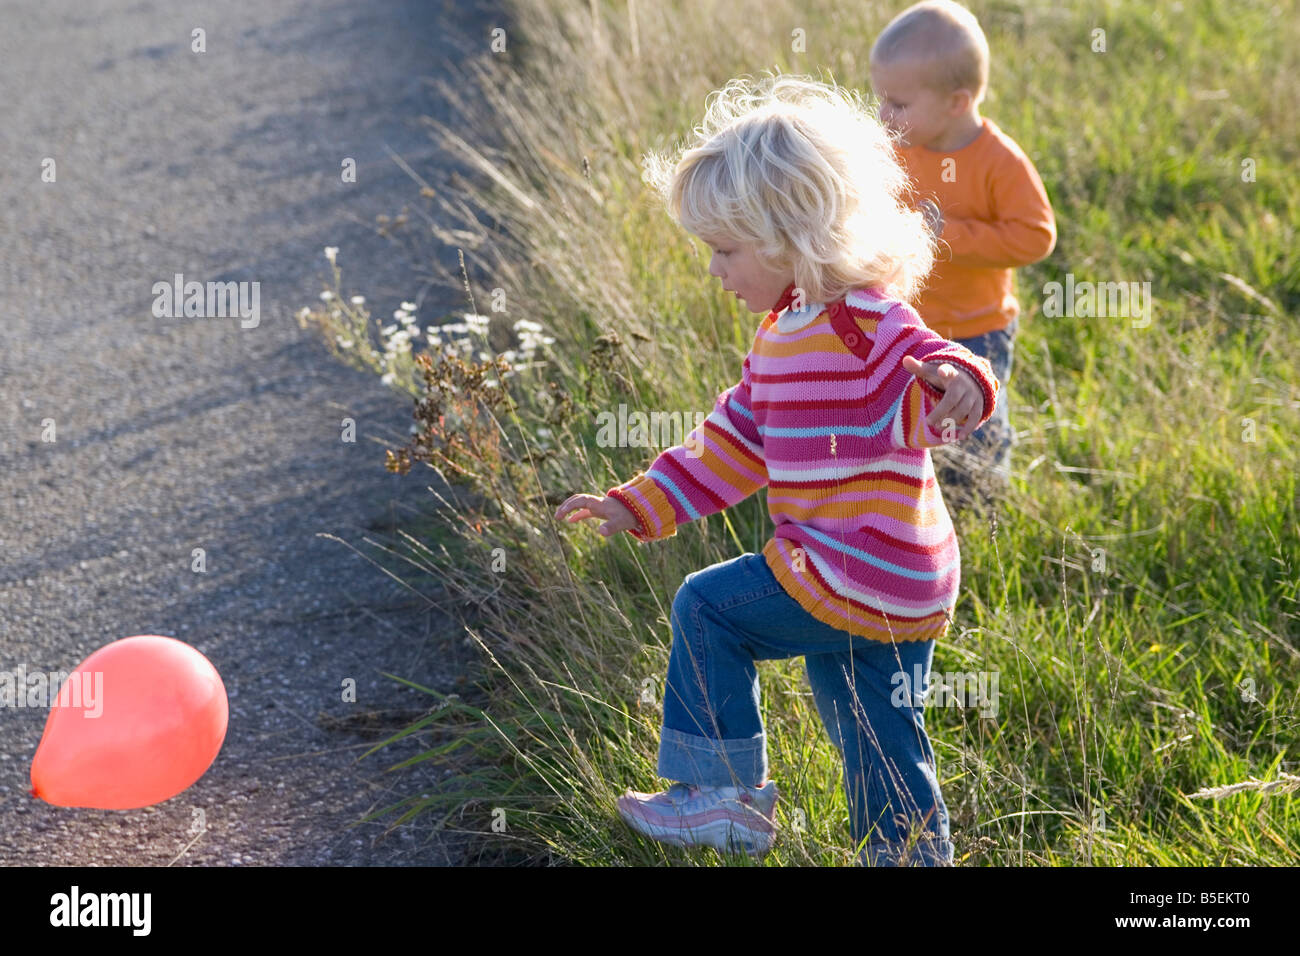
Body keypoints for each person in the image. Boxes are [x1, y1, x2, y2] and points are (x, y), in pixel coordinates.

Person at [553, 73, 1000, 866]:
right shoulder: (782, 335)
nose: (716, 270)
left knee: (710, 608)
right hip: (885, 578)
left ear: (791, 237)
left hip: (856, 566)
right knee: (871, 725)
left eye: (724, 250)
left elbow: (929, 354)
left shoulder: (863, 317)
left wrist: (962, 380)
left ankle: (723, 795)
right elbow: (730, 443)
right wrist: (639, 503)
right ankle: (905, 854)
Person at [870, 0, 1057, 507]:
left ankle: (978, 505)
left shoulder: (998, 161)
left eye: (898, 104)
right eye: (882, 100)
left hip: (979, 325)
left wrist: (947, 234)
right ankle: (911, 503)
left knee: (975, 422)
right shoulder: (897, 150)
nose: (884, 114)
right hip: (908, 321)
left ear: (956, 101)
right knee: (909, 412)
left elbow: (1036, 236)